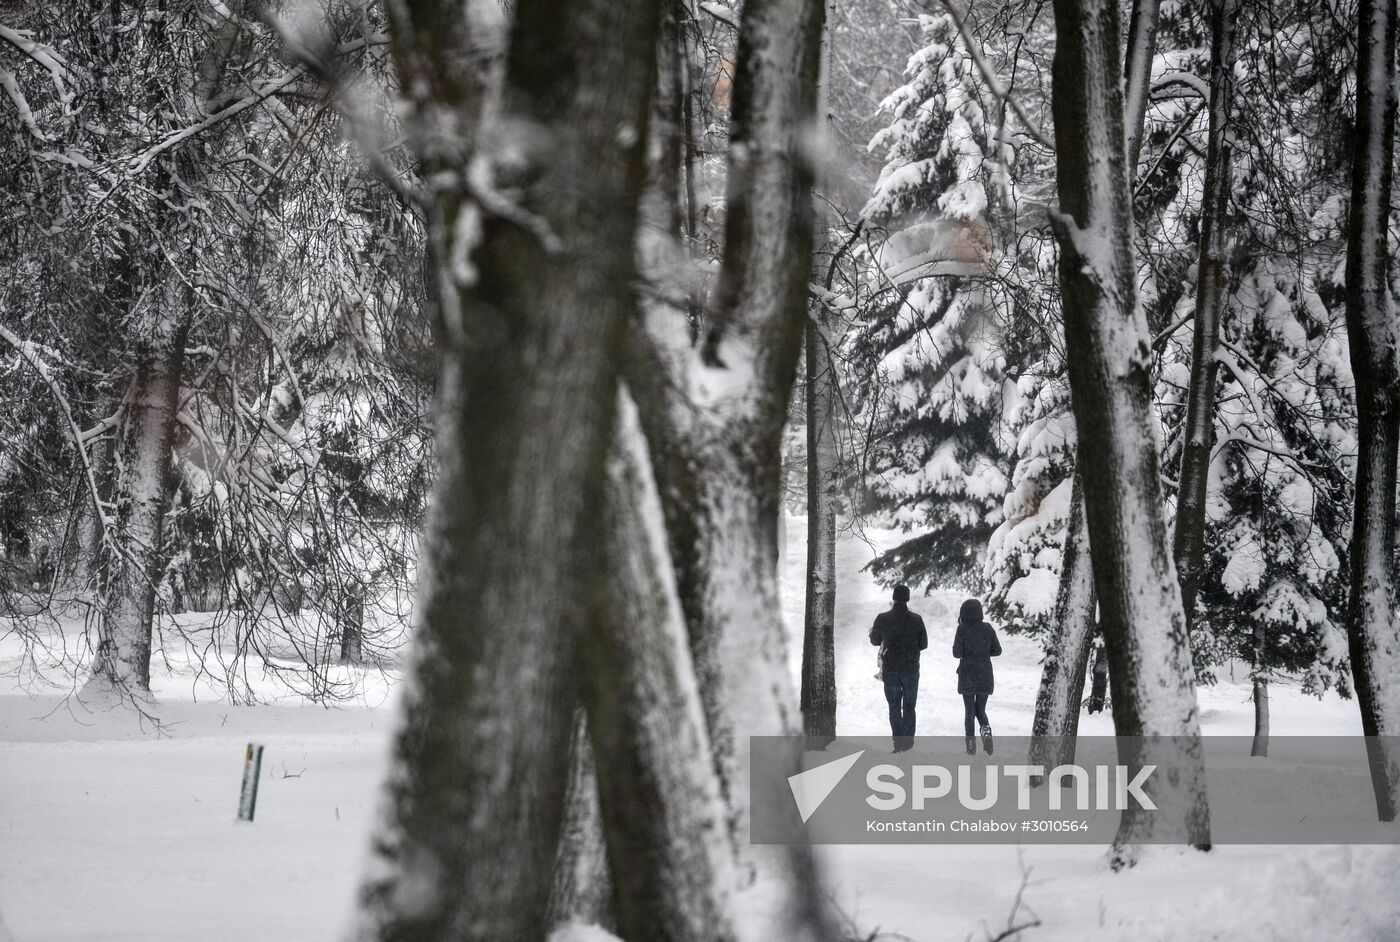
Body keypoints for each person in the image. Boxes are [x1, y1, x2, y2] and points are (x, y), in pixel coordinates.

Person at [869, 584, 927, 752]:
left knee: (894, 706)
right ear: (907, 599)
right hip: (911, 669)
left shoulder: (883, 618)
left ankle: (898, 742)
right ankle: (908, 742)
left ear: (894, 598)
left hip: (891, 669)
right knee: (909, 705)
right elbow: (924, 644)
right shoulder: (917, 619)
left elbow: (874, 641)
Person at [953, 597, 1002, 755]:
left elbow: (956, 653)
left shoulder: (962, 629)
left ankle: (971, 746)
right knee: (980, 709)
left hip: (967, 674)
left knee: (969, 711)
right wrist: (983, 651)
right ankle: (986, 734)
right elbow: (997, 650)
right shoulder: (988, 628)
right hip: (984, 674)